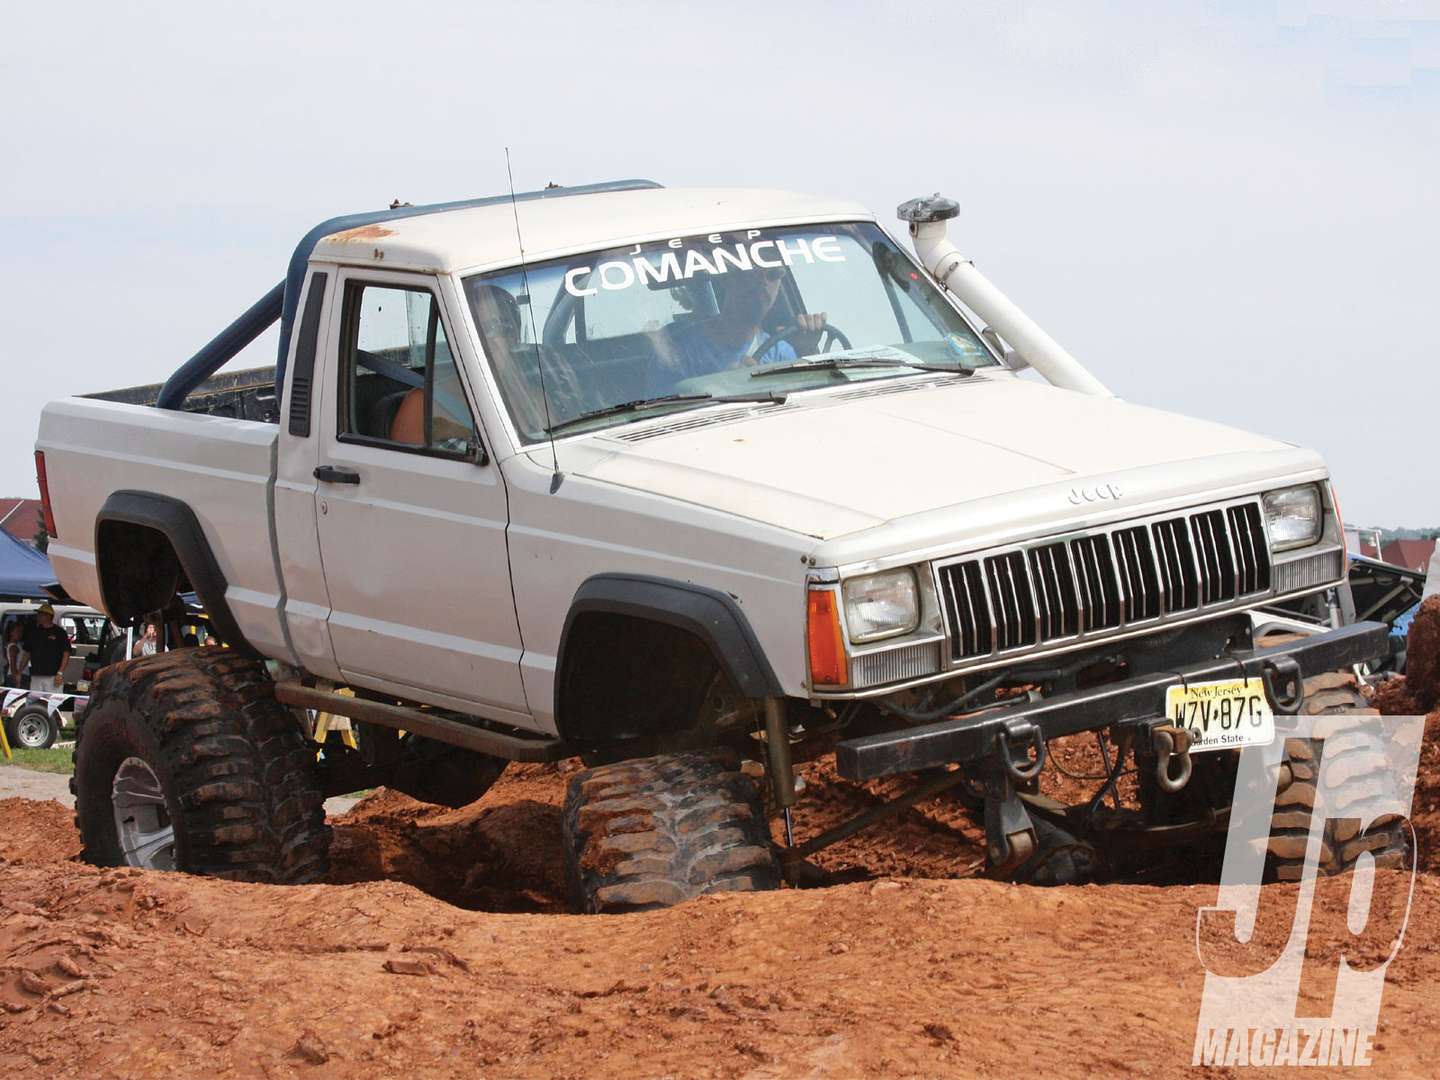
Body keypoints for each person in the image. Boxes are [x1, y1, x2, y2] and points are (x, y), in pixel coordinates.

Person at [650, 264, 827, 394]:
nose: (763, 281)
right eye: (752, 271)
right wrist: (724, 388)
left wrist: (809, 351)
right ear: (729, 279)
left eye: (773, 274)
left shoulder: (780, 351)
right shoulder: (678, 351)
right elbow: (658, 420)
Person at [21, 603, 71, 693]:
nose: (38, 616)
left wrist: (60, 673)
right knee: (35, 703)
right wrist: (20, 670)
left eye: (41, 614)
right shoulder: (33, 632)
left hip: (53, 676)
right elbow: (27, 652)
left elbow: (66, 653)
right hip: (36, 675)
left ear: (48, 616)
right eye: (38, 614)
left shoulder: (60, 632)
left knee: (53, 703)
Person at [4, 621, 26, 688]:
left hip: (13, 676)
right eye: (17, 631)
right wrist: (17, 680)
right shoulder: (13, 647)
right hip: (15, 676)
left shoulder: (16, 645)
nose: (20, 634)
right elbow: (13, 665)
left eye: (21, 632)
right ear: (11, 633)